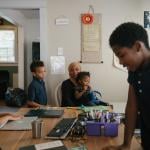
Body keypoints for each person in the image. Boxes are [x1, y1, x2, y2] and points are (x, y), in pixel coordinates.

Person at [103, 22, 150, 150]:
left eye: (122, 55)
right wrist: (125, 145)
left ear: (138, 46)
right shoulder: (134, 70)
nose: (121, 62)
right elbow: (131, 106)